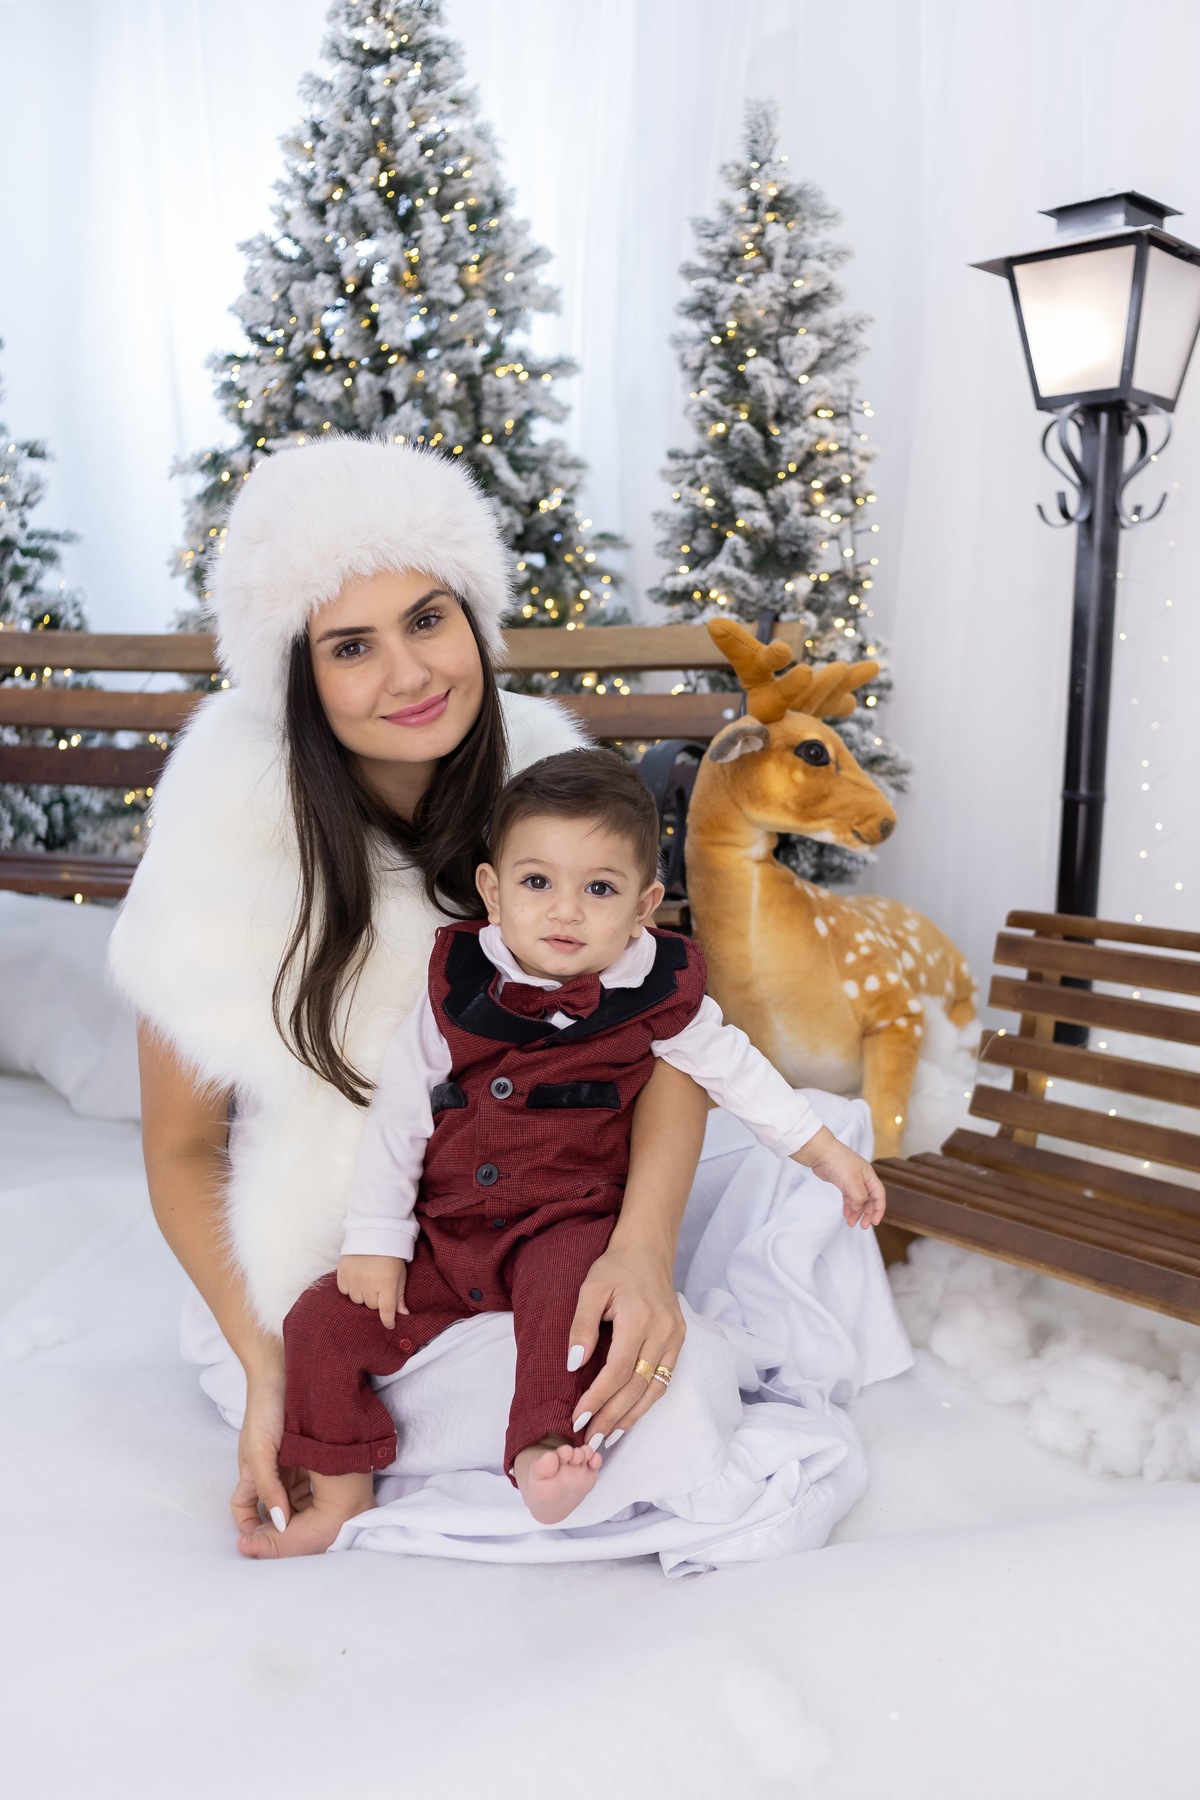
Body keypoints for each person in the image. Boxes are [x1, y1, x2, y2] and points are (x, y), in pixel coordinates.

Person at [110, 435, 911, 1570]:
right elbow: (184, 1151)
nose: (408, 674)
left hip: (558, 1194)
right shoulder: (221, 836)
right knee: (651, 1404)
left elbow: (660, 1038)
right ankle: (557, 1404)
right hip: (356, 1264)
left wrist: (639, 1250)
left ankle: (617, 1331)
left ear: (473, 617)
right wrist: (269, 1370)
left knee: (816, 1150)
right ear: (299, 674)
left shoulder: (544, 777)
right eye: (352, 646)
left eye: (427, 620)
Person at [244, 749, 885, 1556]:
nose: (566, 911)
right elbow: (401, 1114)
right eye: (538, 882)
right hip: (449, 1230)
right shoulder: (459, 986)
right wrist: (377, 1238)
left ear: (644, 905)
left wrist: (823, 1152)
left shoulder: (657, 992)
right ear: (492, 890)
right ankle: (339, 1495)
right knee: (320, 1322)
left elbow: (739, 1073)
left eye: (600, 890)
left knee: (567, 1308)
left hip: (565, 1220)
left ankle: (541, 1449)